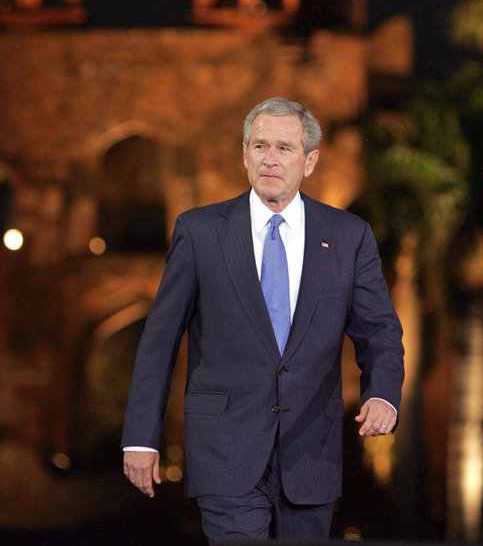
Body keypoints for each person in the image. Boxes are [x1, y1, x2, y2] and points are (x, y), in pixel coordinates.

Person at [122, 97, 404, 543]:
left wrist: (384, 394)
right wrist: (141, 437)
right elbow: (159, 339)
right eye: (259, 146)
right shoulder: (200, 232)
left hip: (310, 454)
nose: (269, 158)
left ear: (310, 161)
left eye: (284, 148)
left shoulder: (349, 236)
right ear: (245, 154)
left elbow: (381, 331)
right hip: (225, 451)